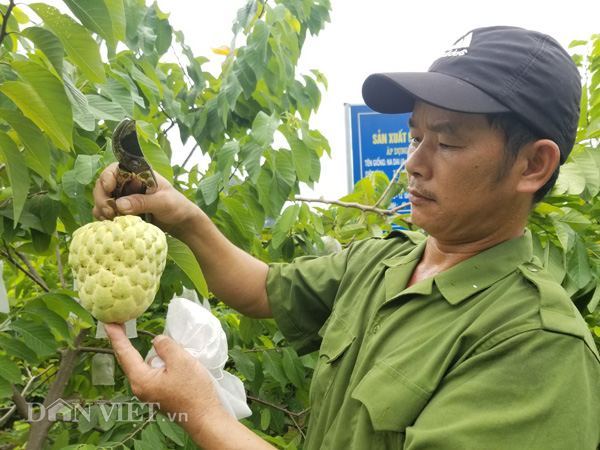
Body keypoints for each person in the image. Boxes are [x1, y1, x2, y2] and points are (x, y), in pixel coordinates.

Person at [95, 26, 600, 449]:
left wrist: (204, 414)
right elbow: (261, 289)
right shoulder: (383, 263)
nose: (414, 162)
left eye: (446, 142)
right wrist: (182, 214)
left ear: (533, 165)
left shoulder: (536, 347)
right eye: (415, 136)